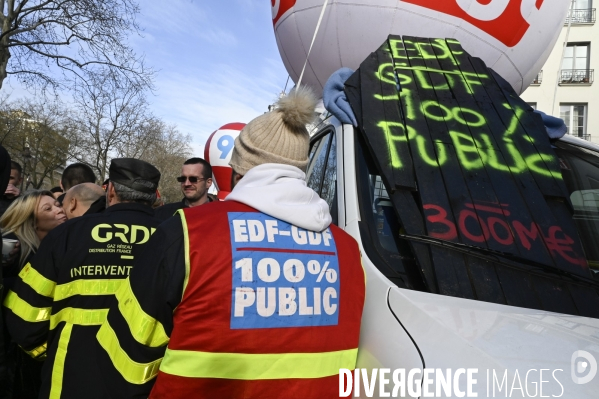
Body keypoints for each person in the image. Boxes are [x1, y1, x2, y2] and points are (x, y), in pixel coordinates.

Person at [96, 88, 366, 398]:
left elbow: (124, 355)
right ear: (301, 167)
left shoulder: (187, 233)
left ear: (237, 170)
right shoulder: (348, 251)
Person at [3, 158, 162, 399]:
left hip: (68, 382)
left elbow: (22, 316)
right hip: (144, 386)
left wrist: (55, 350)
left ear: (110, 191)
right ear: (155, 196)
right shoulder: (173, 238)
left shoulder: (68, 233)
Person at [0, 190, 66, 398]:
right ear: (32, 221)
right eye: (49, 208)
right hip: (14, 350)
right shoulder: (15, 250)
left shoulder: (56, 245)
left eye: (57, 203)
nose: (59, 210)